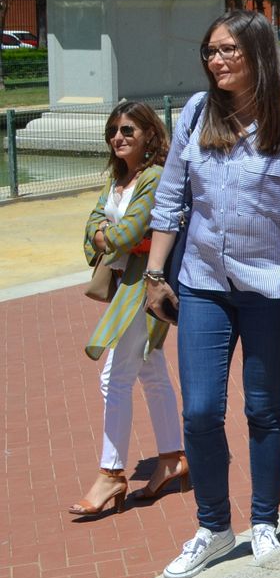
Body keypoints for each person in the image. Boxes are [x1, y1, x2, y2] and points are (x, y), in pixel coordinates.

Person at [143, 10, 280, 578]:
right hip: (201, 283)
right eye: (210, 52)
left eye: (229, 50)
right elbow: (171, 198)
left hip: (272, 290)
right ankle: (213, 527)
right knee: (199, 411)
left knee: (263, 408)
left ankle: (264, 521)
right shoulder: (197, 115)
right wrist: (156, 275)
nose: (217, 61)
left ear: (259, 55)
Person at [70, 102, 185, 517]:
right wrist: (106, 236)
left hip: (143, 286)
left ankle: (112, 473)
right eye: (114, 130)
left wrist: (108, 236)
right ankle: (172, 457)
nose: (119, 137)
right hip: (124, 284)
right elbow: (92, 230)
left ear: (149, 136)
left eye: (128, 130)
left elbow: (128, 231)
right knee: (151, 369)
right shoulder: (119, 179)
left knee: (113, 378)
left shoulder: (153, 178)